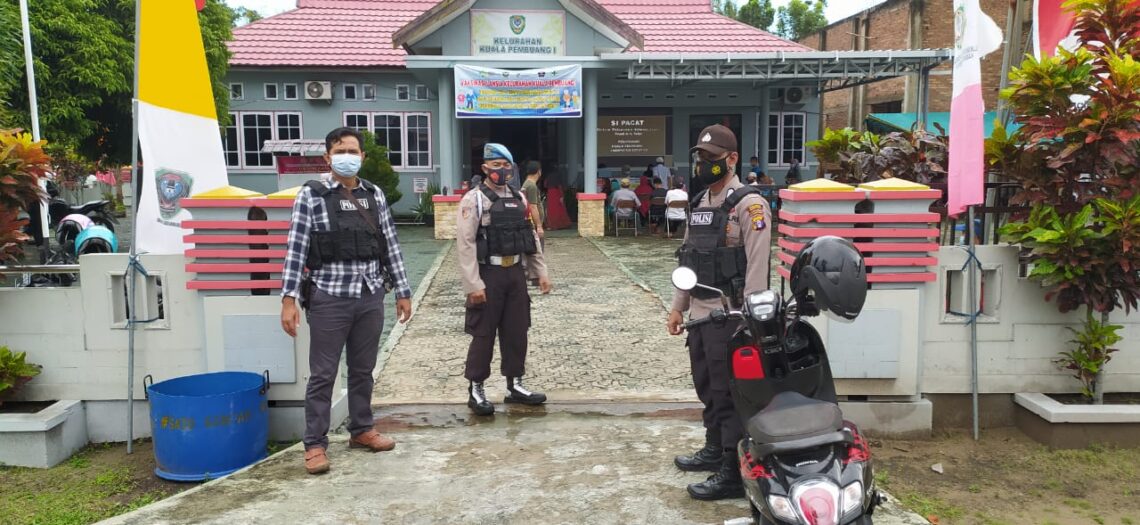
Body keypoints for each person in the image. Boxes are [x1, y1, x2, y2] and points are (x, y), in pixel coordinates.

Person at [280, 127, 413, 475]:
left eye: (353, 150)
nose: (347, 156)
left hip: (370, 295)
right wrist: (289, 298)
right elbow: (296, 248)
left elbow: (390, 245)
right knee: (323, 374)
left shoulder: (374, 194)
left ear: (362, 157)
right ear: (327, 157)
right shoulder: (312, 195)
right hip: (329, 296)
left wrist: (402, 290)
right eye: (340, 150)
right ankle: (314, 445)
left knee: (362, 370)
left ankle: (362, 429)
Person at [666, 124, 772, 501]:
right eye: (700, 157)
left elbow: (758, 268)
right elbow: (688, 261)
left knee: (730, 394)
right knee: (707, 387)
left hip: (731, 316)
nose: (703, 164)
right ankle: (714, 449)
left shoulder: (750, 205)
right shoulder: (698, 204)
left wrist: (753, 319)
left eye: (711, 158)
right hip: (699, 314)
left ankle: (733, 468)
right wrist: (678, 307)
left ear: (732, 159)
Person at [457, 143, 554, 416]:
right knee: (483, 333)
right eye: (495, 165)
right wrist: (473, 284)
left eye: (505, 164)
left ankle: (515, 385)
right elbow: (465, 245)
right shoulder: (473, 199)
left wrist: (540, 272)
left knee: (517, 331)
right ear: (485, 168)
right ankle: (476, 388)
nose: (501, 170)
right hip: (488, 273)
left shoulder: (519, 198)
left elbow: (530, 239)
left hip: (515, 274)